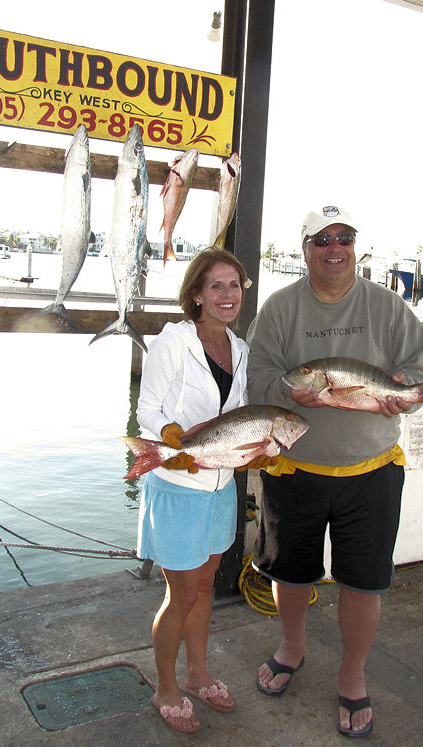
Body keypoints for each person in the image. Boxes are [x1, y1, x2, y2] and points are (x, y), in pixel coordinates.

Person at [246, 205, 423, 738]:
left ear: (356, 245)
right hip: (293, 468)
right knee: (291, 572)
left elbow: (420, 375)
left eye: (344, 237)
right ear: (304, 247)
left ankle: (352, 676)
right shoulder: (280, 310)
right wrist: (288, 391)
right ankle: (292, 647)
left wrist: (405, 394)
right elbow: (256, 378)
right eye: (322, 238)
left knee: (363, 582)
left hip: (371, 472)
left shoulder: (388, 307)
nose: (335, 248)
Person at [136, 246, 272, 735]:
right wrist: (170, 433)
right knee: (181, 593)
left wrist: (257, 450)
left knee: (207, 584)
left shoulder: (241, 349)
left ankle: (198, 673)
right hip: (177, 486)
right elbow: (146, 410)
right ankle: (165, 687)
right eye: (217, 286)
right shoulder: (173, 341)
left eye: (235, 285)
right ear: (196, 294)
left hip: (220, 487)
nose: (228, 294)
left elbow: (239, 420)